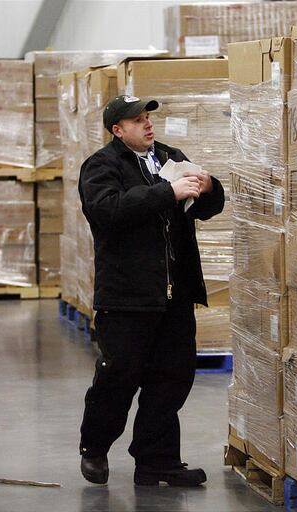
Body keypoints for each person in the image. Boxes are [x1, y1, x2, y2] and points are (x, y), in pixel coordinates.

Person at [77, 94, 225, 487]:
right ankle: (94, 447)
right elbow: (107, 211)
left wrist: (210, 187)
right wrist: (167, 192)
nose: (147, 124)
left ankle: (157, 461)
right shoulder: (101, 166)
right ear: (117, 130)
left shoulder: (170, 156)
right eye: (137, 120)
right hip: (127, 296)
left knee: (171, 379)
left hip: (174, 295)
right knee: (118, 377)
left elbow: (208, 207)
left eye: (147, 117)